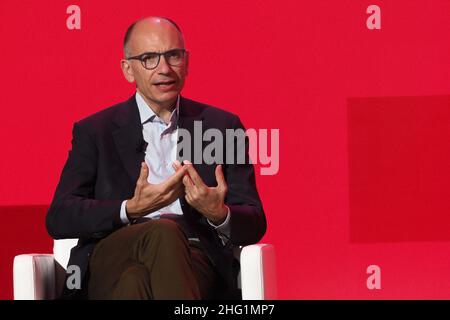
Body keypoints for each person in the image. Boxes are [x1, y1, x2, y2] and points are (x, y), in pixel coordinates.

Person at [46, 16, 266, 300]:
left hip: (195, 256)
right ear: (128, 69)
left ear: (186, 62)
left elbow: (255, 220)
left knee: (134, 283)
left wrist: (218, 213)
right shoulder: (95, 131)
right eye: (149, 58)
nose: (164, 69)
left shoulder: (222, 127)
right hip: (113, 252)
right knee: (162, 233)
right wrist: (130, 208)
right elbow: (60, 216)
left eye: (173, 55)